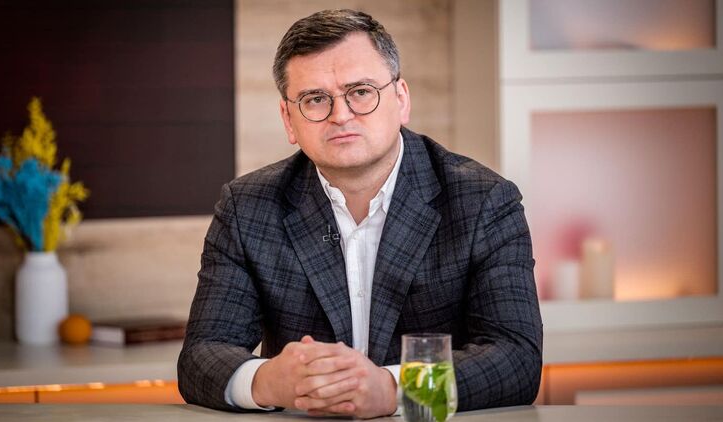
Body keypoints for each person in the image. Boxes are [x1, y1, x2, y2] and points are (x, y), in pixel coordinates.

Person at [178, 9, 542, 419]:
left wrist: (392, 390)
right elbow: (201, 356)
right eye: (315, 99)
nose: (341, 115)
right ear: (289, 120)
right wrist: (268, 381)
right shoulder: (247, 206)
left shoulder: (483, 200)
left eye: (361, 91)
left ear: (401, 99)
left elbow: (517, 359)